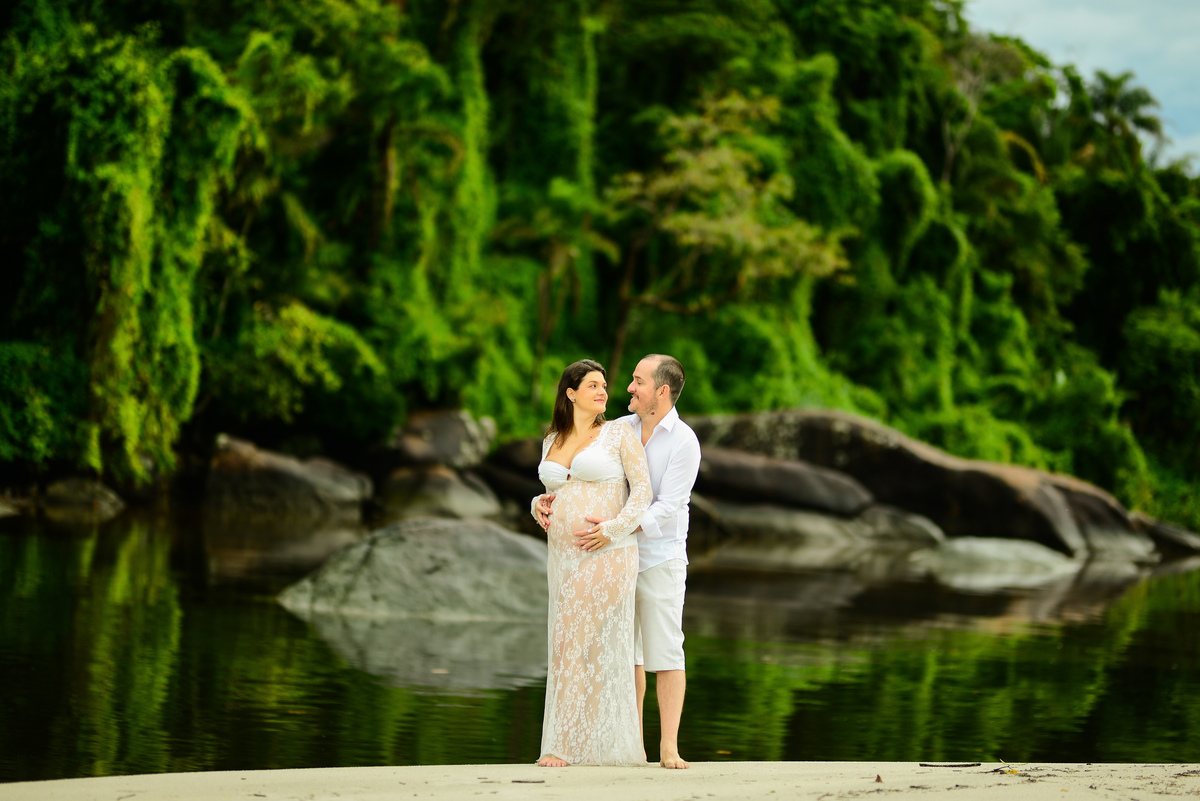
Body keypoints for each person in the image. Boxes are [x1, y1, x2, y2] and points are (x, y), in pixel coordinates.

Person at [536, 354, 701, 770]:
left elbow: (666, 504)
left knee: (664, 651)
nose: (626, 387)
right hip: (586, 558)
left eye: (637, 381)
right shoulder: (620, 426)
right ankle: (630, 746)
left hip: (656, 556)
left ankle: (668, 748)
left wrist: (616, 529)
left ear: (661, 391)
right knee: (623, 654)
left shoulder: (683, 441)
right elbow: (571, 483)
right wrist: (539, 503)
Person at [530, 358, 652, 767]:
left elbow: (642, 495)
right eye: (593, 386)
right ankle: (588, 743)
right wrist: (537, 506)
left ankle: (559, 746)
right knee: (579, 646)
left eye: (604, 385)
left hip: (609, 552)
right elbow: (552, 491)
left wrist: (612, 530)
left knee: (571, 640)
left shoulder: (618, 433)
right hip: (563, 558)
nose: (603, 392)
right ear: (571, 393)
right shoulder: (552, 440)